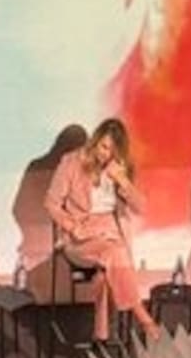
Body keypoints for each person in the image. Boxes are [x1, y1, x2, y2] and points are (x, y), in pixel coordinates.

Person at [44, 118, 162, 342]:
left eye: (112, 151)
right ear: (95, 140)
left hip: (111, 233)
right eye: (103, 146)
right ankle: (145, 320)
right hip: (80, 238)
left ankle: (101, 336)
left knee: (105, 275)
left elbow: (142, 208)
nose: (105, 154)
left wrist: (123, 181)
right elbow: (51, 203)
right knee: (115, 253)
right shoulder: (71, 162)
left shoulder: (121, 168)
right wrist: (72, 227)